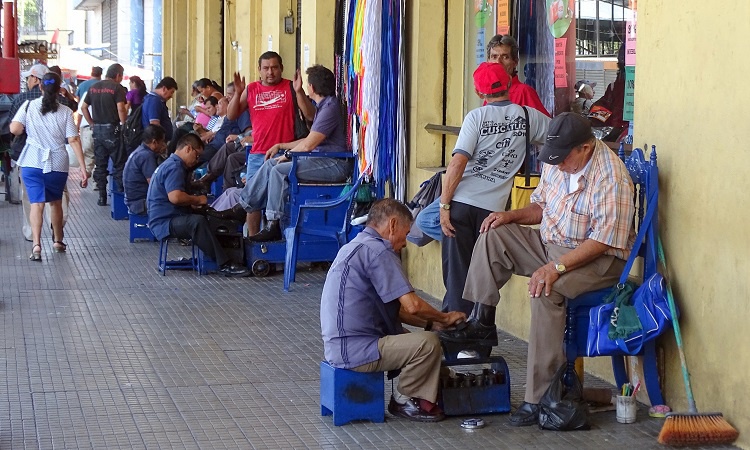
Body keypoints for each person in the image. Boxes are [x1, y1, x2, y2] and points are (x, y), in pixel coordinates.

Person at [439, 112, 636, 426]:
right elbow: (542, 206)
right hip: (552, 244)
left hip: (597, 260)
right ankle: (481, 321)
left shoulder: (611, 176)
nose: (556, 165)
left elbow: (602, 241)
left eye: (563, 158)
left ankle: (537, 397)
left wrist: (554, 268)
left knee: (546, 288)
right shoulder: (558, 160)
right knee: (495, 235)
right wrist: (511, 216)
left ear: (585, 149)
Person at [320, 198, 467, 422]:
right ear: (392, 225)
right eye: (405, 233)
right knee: (428, 344)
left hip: (340, 346)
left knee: (412, 338)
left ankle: (444, 383)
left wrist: (432, 323)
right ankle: (404, 399)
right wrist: (445, 318)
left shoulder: (356, 245)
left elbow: (396, 310)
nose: (405, 243)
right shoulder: (379, 251)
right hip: (356, 351)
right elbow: (413, 305)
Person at [439, 62, 549, 317]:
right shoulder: (527, 116)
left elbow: (457, 162)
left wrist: (444, 206)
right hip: (493, 212)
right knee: (484, 275)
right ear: (509, 84)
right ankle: (479, 338)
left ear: (480, 94)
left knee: (458, 275)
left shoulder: (476, 117)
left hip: (462, 204)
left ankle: (457, 335)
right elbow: (561, 135)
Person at [216, 65, 350, 241]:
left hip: (333, 164)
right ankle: (244, 207)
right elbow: (309, 139)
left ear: (312, 87)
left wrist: (287, 154)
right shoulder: (324, 106)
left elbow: (309, 145)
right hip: (322, 160)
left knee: (279, 169)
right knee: (271, 164)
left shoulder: (329, 108)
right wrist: (281, 145)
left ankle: (273, 223)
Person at [146, 133, 250, 277]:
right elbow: (175, 197)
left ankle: (217, 253)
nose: (197, 160)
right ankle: (224, 264)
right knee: (197, 222)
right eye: (196, 155)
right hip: (164, 222)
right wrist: (197, 200)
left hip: (168, 217)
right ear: (188, 149)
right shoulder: (175, 166)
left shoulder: (171, 163)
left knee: (207, 213)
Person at [10, 72, 88, 261]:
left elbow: (15, 129)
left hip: (32, 162)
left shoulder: (28, 106)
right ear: (60, 89)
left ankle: (36, 246)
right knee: (55, 203)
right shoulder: (66, 112)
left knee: (36, 204)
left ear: (40, 87)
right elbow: (74, 140)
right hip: (57, 163)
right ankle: (58, 241)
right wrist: (83, 170)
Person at [226, 51, 315, 199]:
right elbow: (231, 115)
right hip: (258, 154)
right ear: (259, 70)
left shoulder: (291, 87)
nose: (270, 72)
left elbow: (310, 115)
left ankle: (273, 222)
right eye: (266, 68)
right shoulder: (251, 89)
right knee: (252, 201)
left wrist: (299, 92)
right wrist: (237, 93)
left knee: (279, 200)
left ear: (281, 68)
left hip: (284, 155)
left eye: (274, 68)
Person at [81, 63, 128, 205]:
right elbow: (121, 108)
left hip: (97, 131)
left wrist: (91, 123)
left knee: (100, 164)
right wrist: (124, 123)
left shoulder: (93, 87)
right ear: (118, 75)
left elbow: (83, 107)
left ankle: (102, 197)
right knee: (119, 163)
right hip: (113, 130)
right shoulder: (117, 87)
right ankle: (121, 195)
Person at [486, 34, 551, 117]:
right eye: (494, 57)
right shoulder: (488, 93)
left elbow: (548, 127)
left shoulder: (524, 92)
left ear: (515, 62)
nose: (498, 62)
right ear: (488, 62)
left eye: (505, 57)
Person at [123, 125, 166, 215]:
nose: (164, 145)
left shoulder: (139, 151)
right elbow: (154, 185)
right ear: (154, 142)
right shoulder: (147, 156)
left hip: (133, 201)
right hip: (140, 204)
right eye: (162, 142)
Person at [142, 77, 178, 143]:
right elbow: (155, 124)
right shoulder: (154, 101)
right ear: (164, 88)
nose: (171, 96)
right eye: (171, 92)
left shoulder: (154, 100)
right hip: (158, 143)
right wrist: (161, 143)